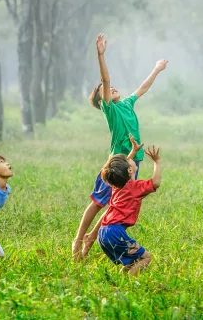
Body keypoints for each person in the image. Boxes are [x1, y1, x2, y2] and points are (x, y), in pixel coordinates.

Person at [72, 33, 168, 260]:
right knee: (98, 202)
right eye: (104, 90)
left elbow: (143, 88)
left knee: (118, 202)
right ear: (101, 100)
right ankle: (78, 239)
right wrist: (101, 55)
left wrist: (156, 69)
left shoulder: (126, 103)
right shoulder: (110, 109)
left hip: (133, 161)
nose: (111, 87)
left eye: (112, 87)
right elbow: (105, 80)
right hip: (116, 163)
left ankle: (92, 237)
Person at [97, 145, 162, 276]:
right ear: (130, 170)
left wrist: (133, 151)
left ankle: (121, 280)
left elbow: (121, 169)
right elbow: (155, 182)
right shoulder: (134, 187)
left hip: (103, 232)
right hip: (115, 233)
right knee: (146, 257)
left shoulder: (117, 185)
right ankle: (130, 284)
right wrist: (157, 162)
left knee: (131, 262)